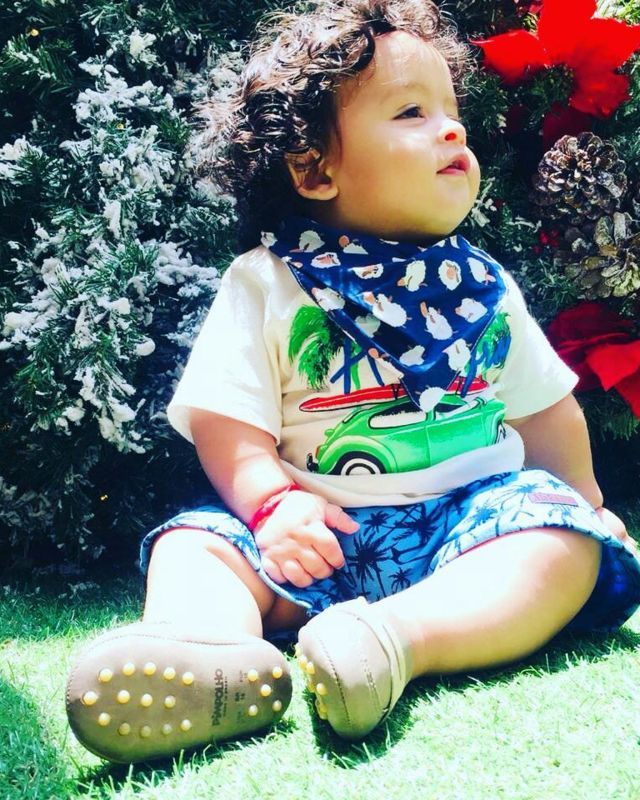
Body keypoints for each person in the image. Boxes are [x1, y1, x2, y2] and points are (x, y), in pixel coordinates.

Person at [66, 0, 640, 764]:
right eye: (411, 113)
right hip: (317, 539)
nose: (452, 131)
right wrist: (272, 506)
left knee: (562, 540)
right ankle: (211, 656)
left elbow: (546, 413)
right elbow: (225, 420)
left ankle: (394, 642)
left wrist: (587, 507)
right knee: (194, 546)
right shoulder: (266, 283)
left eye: (452, 113)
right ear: (314, 168)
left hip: (469, 536)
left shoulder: (483, 286)